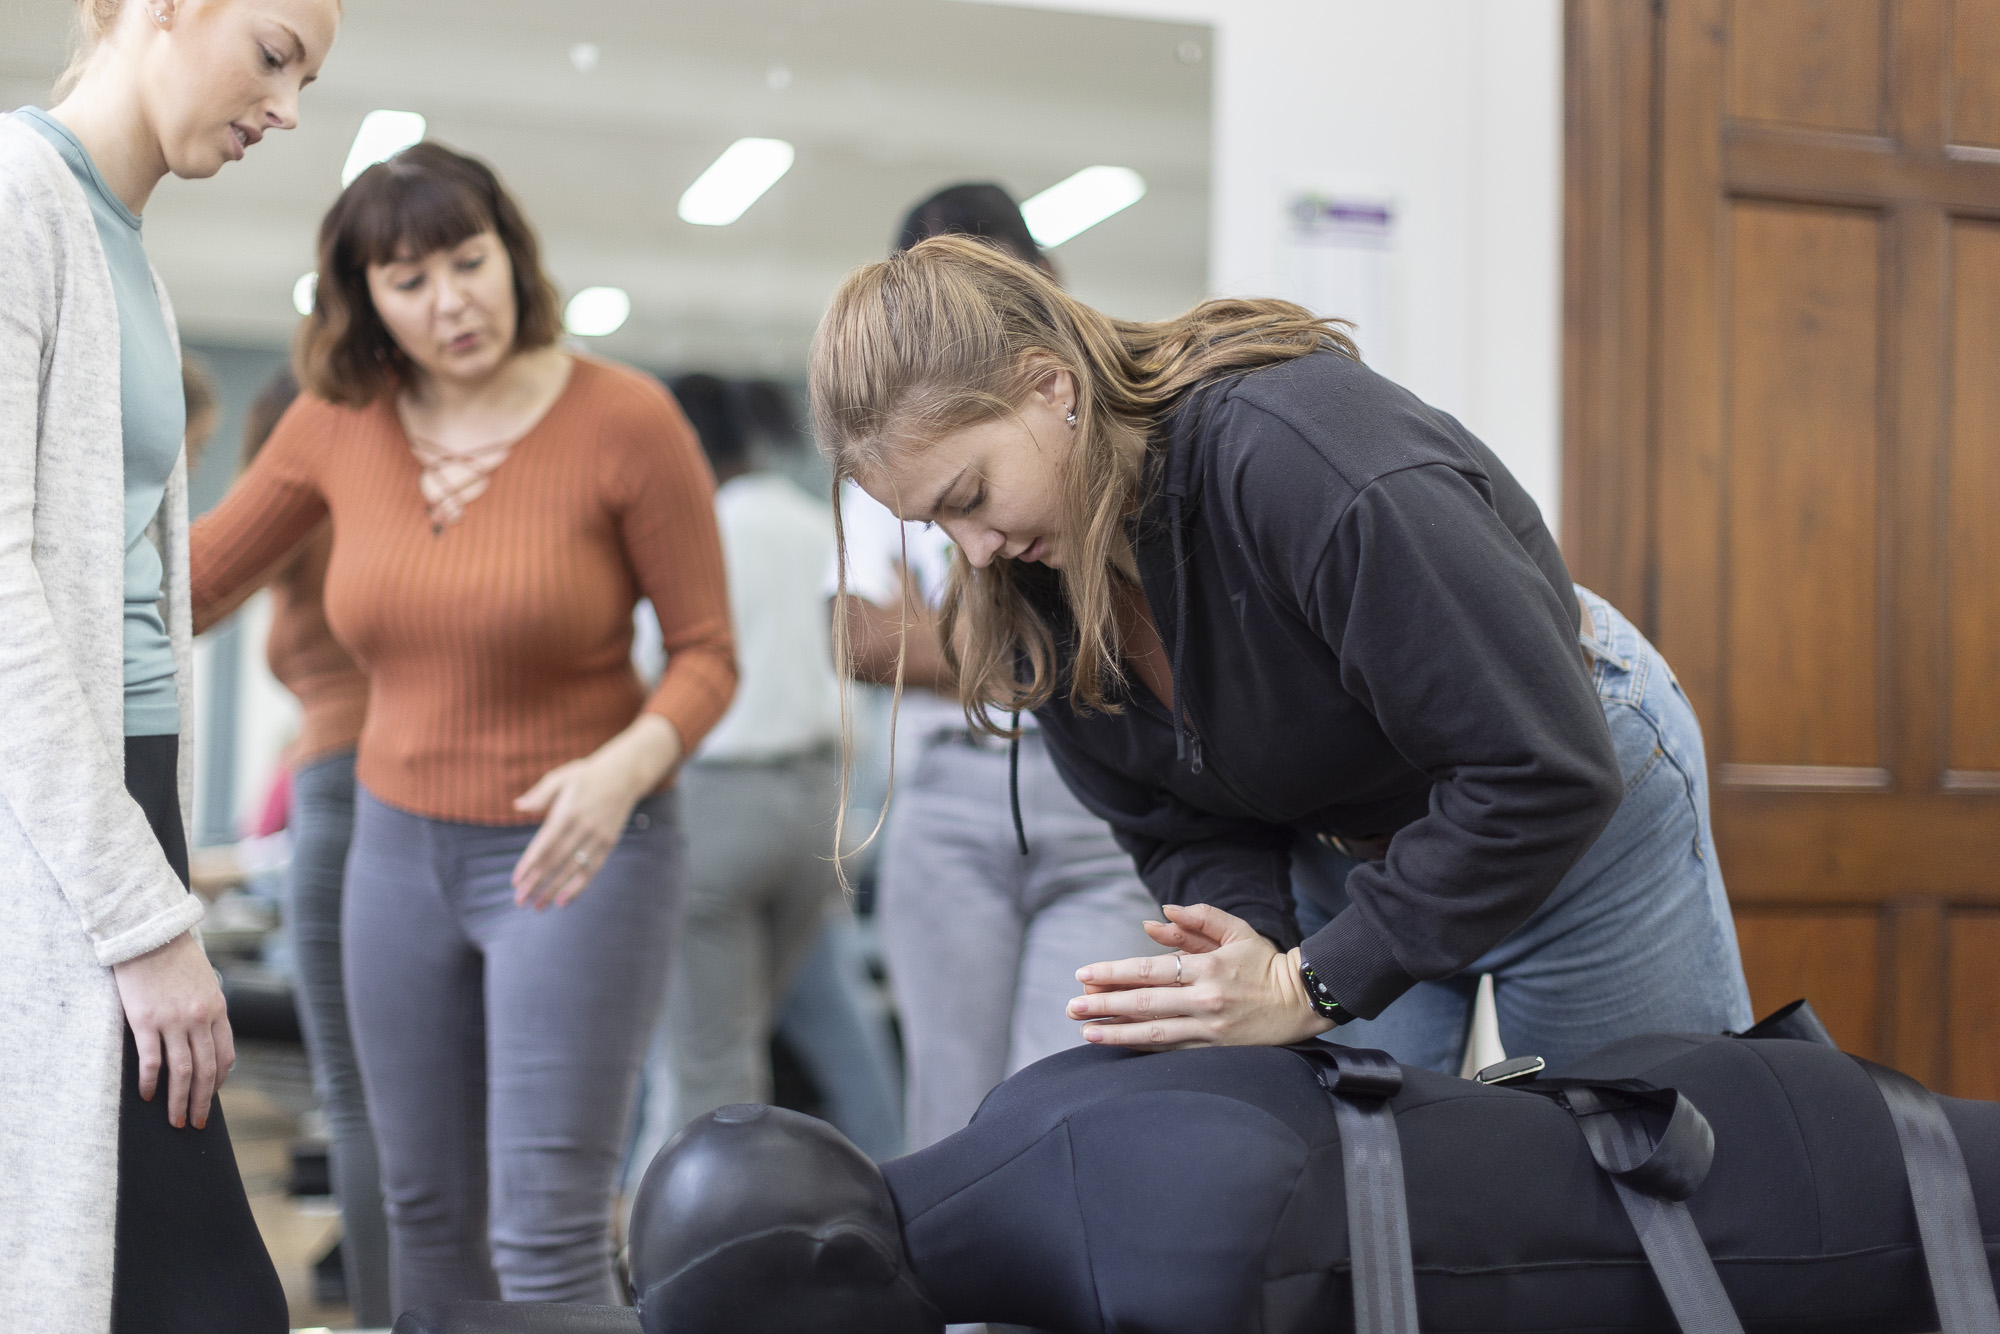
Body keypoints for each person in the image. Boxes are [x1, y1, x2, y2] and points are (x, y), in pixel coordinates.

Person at [809, 235, 1754, 1078]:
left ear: (1050, 383)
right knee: (1343, 1199)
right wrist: (1248, 949)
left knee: (1642, 1175)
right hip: (1355, 852)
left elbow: (1543, 765)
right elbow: (1176, 816)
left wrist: (1309, 987)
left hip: (1571, 805)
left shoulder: (1303, 457)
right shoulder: (1026, 583)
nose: (970, 550)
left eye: (971, 494)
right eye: (935, 523)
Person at [190, 141, 736, 1310]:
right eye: (409, 279)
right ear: (364, 300)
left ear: (511, 252)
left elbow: (706, 655)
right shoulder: (339, 421)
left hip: (577, 848)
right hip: (396, 850)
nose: (452, 301)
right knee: (422, 1215)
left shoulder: (623, 420)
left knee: (543, 1232)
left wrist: (621, 769)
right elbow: (191, 586)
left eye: (468, 261)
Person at [0, 2, 336, 1329]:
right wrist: (143, 919)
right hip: (68, 829)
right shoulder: (18, 201)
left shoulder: (120, 245)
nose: (290, 108)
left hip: (127, 800)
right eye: (272, 53)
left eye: (309, 76)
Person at [830, 184, 1164, 1151]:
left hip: (1097, 808)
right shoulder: (891, 455)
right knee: (951, 1112)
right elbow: (856, 641)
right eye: (940, 521)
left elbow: (1106, 637)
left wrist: (939, 638)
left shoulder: (1096, 439)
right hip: (949, 800)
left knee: (1073, 1103)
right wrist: (1028, 650)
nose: (977, 548)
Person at [624, 373, 849, 1170]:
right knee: (741, 1043)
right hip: (817, 810)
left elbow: (648, 667)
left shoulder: (697, 528)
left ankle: (683, 1261)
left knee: (705, 1064)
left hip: (717, 803)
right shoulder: (809, 522)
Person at [233, 364, 391, 1323]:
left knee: (364, 1103)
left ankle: (386, 1317)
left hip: (348, 784)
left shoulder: (305, 501)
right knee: (421, 1105)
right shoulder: (393, 491)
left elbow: (198, 581)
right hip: (418, 789)